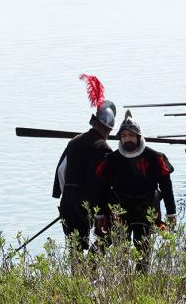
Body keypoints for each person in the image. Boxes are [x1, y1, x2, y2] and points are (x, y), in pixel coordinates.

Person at [95, 111, 176, 271]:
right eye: (124, 136)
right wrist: (100, 215)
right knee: (121, 253)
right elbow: (102, 189)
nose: (127, 139)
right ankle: (124, 285)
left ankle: (142, 286)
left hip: (146, 208)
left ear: (138, 137)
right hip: (120, 208)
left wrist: (171, 213)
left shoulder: (154, 158)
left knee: (143, 252)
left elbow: (166, 187)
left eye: (131, 135)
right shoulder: (111, 160)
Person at [52, 75, 116, 251]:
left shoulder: (74, 141)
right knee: (108, 236)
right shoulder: (104, 148)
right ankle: (93, 268)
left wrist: (66, 197)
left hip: (69, 201)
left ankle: (78, 277)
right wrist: (100, 212)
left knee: (75, 248)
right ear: (109, 128)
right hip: (88, 202)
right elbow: (100, 182)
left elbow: (61, 172)